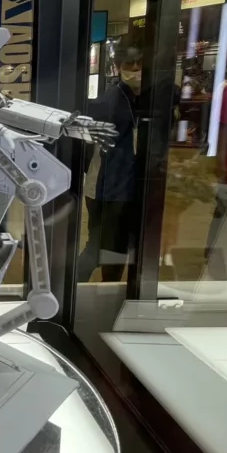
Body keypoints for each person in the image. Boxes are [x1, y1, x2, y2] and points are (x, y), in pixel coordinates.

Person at [78, 47, 141, 283]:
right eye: (130, 65)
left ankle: (108, 291)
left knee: (118, 249)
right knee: (99, 247)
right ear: (119, 67)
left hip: (125, 187)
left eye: (140, 65)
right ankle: (66, 291)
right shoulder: (108, 102)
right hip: (105, 189)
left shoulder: (139, 99)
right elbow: (88, 146)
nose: (136, 70)